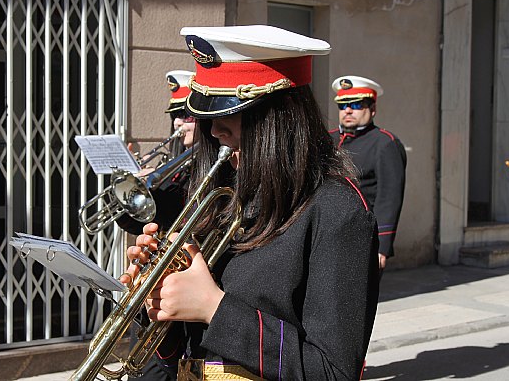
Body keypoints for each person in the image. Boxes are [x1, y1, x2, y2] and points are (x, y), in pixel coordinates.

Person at [122, 26, 380, 380]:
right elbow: (182, 357)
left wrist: (214, 307)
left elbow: (333, 372)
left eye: (232, 113)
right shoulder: (223, 196)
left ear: (282, 115)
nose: (215, 131)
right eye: (210, 115)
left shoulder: (337, 211)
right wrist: (161, 303)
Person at [329, 76, 407, 271]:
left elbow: (389, 196)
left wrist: (382, 245)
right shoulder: (327, 139)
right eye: (343, 105)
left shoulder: (384, 143)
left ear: (372, 110)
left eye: (356, 105)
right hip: (327, 235)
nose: (347, 110)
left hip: (361, 237)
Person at [117, 70, 197, 237]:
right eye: (175, 116)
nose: (177, 123)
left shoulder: (214, 165)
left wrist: (156, 187)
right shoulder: (171, 162)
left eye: (186, 116)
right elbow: (142, 225)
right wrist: (134, 188)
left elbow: (180, 215)